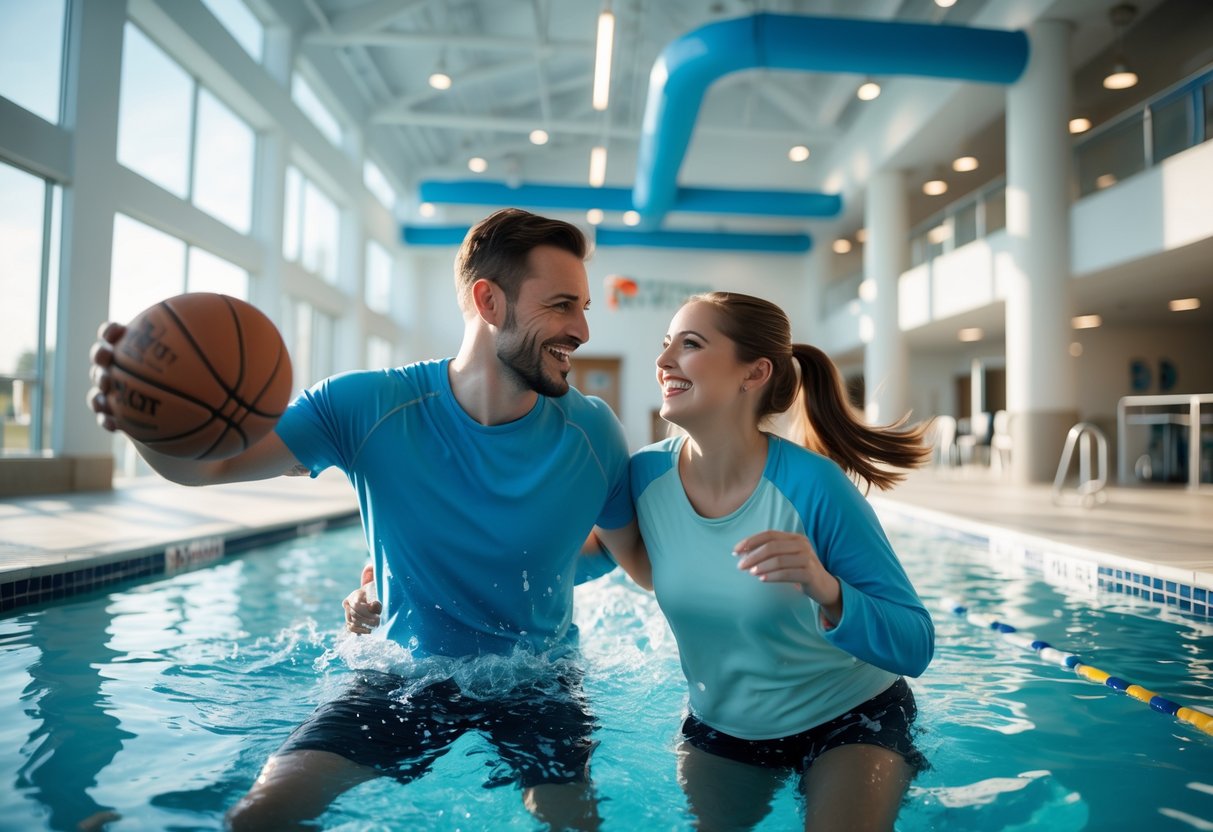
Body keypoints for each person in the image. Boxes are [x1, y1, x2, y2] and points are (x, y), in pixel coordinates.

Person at [87, 208, 643, 831]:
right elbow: (205, 469)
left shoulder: (592, 432)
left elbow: (626, 557)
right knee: (260, 818)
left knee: (574, 826)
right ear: (489, 301)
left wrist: (538, 572)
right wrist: (143, 415)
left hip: (539, 684)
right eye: (564, 305)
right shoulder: (367, 407)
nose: (584, 329)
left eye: (584, 306)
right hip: (406, 675)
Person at [346, 291, 935, 831]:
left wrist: (827, 589)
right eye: (665, 345)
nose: (666, 360)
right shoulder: (646, 477)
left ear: (754, 373)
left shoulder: (813, 487)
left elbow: (915, 643)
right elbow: (563, 561)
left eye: (691, 345)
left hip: (851, 720)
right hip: (722, 732)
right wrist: (410, 581)